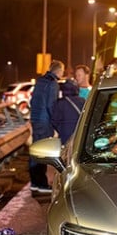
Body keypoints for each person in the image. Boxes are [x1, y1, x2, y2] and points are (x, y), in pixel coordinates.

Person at [27, 59, 65, 193]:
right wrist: (55, 123)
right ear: (59, 71)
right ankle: (42, 184)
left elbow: (32, 101)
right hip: (45, 121)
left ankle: (34, 182)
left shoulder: (40, 81)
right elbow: (51, 105)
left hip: (35, 119)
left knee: (35, 150)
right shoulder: (53, 84)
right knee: (42, 151)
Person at [51, 79, 85, 143]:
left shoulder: (60, 103)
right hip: (80, 133)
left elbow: (54, 121)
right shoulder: (83, 101)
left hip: (65, 135)